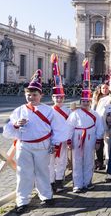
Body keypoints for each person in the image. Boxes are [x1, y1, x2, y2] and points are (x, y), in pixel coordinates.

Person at [3, 69, 69, 214]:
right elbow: (7, 129)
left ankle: (46, 195)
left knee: (43, 172)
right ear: (25, 95)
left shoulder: (49, 111)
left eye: (34, 95)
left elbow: (59, 128)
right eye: (29, 95)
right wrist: (15, 125)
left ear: (41, 95)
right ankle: (22, 200)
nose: (31, 97)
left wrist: (54, 143)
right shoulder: (19, 110)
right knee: (23, 173)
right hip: (24, 146)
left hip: (42, 145)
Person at [67, 59, 104, 193]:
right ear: (80, 101)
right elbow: (69, 127)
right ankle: (77, 183)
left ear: (90, 101)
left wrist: (99, 140)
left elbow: (100, 127)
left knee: (89, 160)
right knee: (77, 161)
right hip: (77, 137)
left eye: (87, 101)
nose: (85, 103)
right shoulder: (75, 113)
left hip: (90, 137)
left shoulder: (95, 114)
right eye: (83, 101)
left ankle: (87, 181)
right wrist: (69, 140)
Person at [49, 54, 72, 193]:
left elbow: (71, 125)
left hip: (63, 140)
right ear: (52, 97)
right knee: (50, 163)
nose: (59, 99)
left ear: (64, 97)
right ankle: (51, 182)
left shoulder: (68, 111)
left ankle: (59, 181)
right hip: (51, 141)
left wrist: (69, 139)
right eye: (56, 97)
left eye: (61, 97)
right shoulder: (48, 111)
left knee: (62, 161)